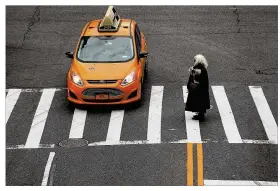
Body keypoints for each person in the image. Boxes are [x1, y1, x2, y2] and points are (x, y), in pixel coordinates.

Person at [185, 54, 210, 121]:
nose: (194, 61)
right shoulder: (201, 68)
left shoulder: (200, 69)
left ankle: (201, 116)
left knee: (199, 102)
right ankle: (200, 114)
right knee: (199, 102)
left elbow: (196, 75)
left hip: (199, 89)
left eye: (195, 60)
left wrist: (192, 70)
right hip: (200, 88)